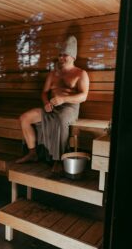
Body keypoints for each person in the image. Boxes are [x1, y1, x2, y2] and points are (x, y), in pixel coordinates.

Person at [15, 35, 90, 172]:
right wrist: (46, 103)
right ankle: (33, 153)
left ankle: (59, 159)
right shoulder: (53, 74)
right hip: (51, 106)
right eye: (60, 55)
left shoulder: (80, 73)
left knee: (61, 119)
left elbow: (83, 96)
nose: (61, 58)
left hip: (69, 108)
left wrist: (64, 99)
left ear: (73, 56)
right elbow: (44, 92)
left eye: (65, 55)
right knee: (24, 118)